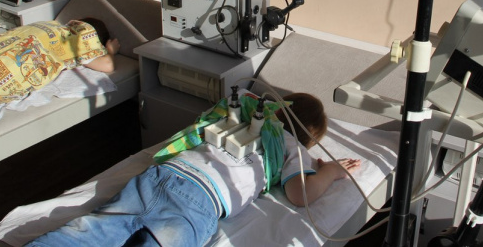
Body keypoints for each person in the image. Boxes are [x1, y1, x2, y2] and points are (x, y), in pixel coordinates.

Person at [26, 92, 362, 247]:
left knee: (94, 229)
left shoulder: (245, 115)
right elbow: (300, 193)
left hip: (164, 174)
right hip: (201, 201)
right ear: (308, 139)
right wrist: (331, 171)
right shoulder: (291, 147)